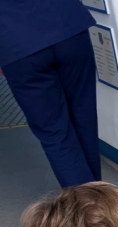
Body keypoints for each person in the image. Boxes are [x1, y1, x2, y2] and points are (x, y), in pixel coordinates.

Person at [0, 0, 101, 187]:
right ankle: (100, 196)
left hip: (14, 40)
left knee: (54, 132)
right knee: (84, 117)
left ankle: (89, 203)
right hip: (67, 25)